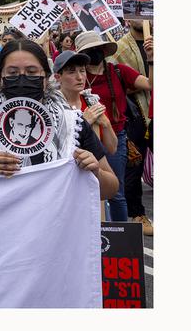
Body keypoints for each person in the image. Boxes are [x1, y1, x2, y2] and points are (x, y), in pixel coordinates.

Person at [0, 40, 119, 200]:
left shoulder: (73, 124)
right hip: (0, 232)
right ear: (0, 78)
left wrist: (95, 172)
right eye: (12, 72)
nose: (22, 78)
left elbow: (110, 189)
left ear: (46, 76)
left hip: (57, 231)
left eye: (32, 72)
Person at [75, 30, 152, 222]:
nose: (95, 52)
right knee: (84, 190)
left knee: (115, 192)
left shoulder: (118, 71)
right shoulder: (77, 76)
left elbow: (150, 84)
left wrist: (151, 60)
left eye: (97, 48)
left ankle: (118, 237)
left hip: (115, 140)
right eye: (89, 50)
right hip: (84, 140)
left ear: (104, 49)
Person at [112, 19, 154, 235]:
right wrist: (134, 82)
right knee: (134, 165)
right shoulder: (119, 47)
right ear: (128, 19)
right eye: (137, 13)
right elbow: (115, 86)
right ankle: (138, 213)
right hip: (138, 115)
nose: (145, 17)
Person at [52, 50, 117, 155]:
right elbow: (55, 151)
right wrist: (83, 124)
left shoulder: (92, 102)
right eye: (71, 72)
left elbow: (112, 149)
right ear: (58, 77)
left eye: (82, 70)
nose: (79, 77)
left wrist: (106, 124)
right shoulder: (53, 107)